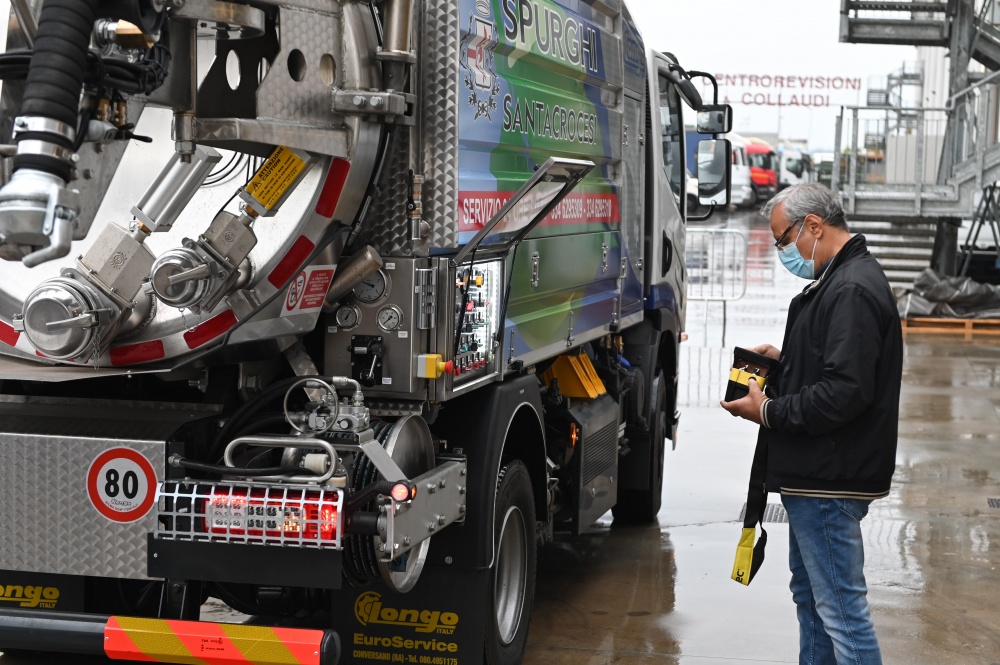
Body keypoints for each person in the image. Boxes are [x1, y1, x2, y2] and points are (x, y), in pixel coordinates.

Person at [721, 183, 902, 665]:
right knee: (813, 601)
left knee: (841, 612)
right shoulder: (840, 280)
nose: (784, 252)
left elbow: (845, 392)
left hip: (829, 476)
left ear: (814, 227)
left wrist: (766, 410)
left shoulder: (852, 288)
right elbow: (836, 365)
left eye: (784, 240)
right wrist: (786, 361)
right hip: (817, 473)